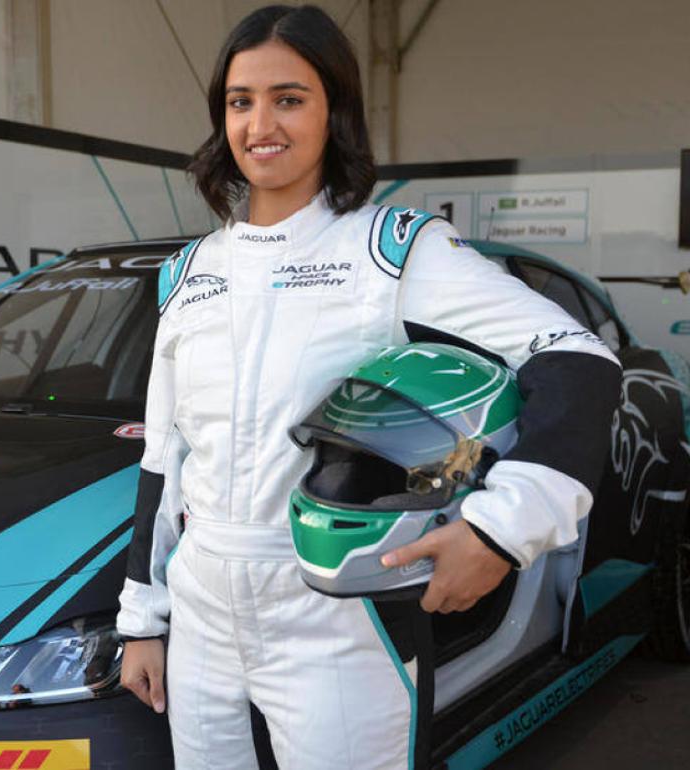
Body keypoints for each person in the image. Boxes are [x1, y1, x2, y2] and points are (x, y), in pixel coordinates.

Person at [115, 5, 621, 769]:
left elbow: (577, 359)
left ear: (334, 112)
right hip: (201, 607)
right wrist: (143, 620)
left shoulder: (392, 249)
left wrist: (500, 530)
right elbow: (164, 458)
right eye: (240, 102)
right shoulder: (188, 274)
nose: (261, 125)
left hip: (334, 609)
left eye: (290, 98)